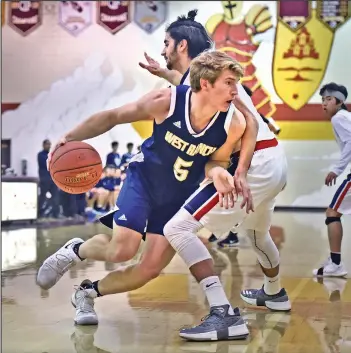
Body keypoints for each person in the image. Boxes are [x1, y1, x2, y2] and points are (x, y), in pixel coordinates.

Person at [37, 50, 257, 340]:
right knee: (122, 250)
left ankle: (87, 293)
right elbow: (114, 116)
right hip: (144, 180)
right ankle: (75, 251)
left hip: (179, 197)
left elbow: (215, 160)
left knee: (148, 270)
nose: (235, 90)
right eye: (229, 82)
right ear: (206, 83)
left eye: (236, 83)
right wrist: (71, 137)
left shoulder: (233, 123)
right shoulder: (167, 101)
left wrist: (218, 173)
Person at [140, 10, 290, 340]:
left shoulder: (207, 77)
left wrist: (240, 170)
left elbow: (241, 120)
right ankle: (275, 292)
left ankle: (224, 315)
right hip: (273, 160)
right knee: (256, 235)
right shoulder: (211, 74)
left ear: (181, 46)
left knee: (177, 228)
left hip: (253, 163)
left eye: (166, 44)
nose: (163, 50)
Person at [313, 83, 350, 277]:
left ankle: (336, 264)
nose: (324, 104)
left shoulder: (340, 118)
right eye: (322, 100)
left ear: (340, 101)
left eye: (328, 99)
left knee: (332, 213)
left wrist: (336, 170)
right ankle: (334, 262)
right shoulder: (345, 117)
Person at [37, 139, 60, 219]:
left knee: (55, 197)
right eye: (47, 144)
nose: (49, 146)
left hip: (52, 179)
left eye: (50, 144)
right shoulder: (40, 155)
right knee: (42, 197)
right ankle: (39, 214)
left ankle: (56, 214)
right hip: (44, 180)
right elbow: (47, 164)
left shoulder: (51, 154)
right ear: (43, 145)